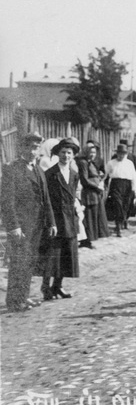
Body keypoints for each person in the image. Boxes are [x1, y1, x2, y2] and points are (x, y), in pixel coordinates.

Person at [1, 133, 56, 311]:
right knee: (19, 262)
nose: (34, 151)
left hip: (37, 225)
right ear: (22, 148)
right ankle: (14, 301)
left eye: (37, 148)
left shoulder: (39, 170)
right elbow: (6, 201)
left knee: (30, 261)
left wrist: (52, 222)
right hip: (21, 226)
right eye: (31, 147)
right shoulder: (12, 169)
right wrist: (13, 226)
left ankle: (23, 297)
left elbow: (46, 199)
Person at [42, 138, 82, 301]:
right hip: (55, 219)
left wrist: (77, 212)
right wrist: (50, 222)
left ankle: (57, 286)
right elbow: (46, 199)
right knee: (52, 255)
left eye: (69, 153)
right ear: (57, 154)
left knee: (66, 254)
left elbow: (74, 197)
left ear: (73, 156)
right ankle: (45, 288)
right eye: (63, 152)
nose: (66, 156)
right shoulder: (50, 174)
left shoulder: (74, 174)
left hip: (69, 218)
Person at [76, 143, 109, 248]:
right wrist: (97, 186)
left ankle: (89, 239)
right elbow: (85, 180)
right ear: (85, 152)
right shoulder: (83, 162)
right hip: (89, 193)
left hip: (95, 193)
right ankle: (87, 241)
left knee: (94, 216)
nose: (92, 154)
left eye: (94, 152)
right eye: (90, 152)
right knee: (89, 217)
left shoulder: (90, 162)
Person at [106, 144, 136, 237]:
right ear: (116, 153)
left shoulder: (129, 163)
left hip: (127, 186)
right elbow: (106, 175)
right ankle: (118, 226)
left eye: (123, 154)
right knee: (118, 205)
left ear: (126, 154)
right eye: (119, 153)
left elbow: (134, 177)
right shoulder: (111, 163)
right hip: (115, 185)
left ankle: (123, 221)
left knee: (125, 205)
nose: (121, 156)